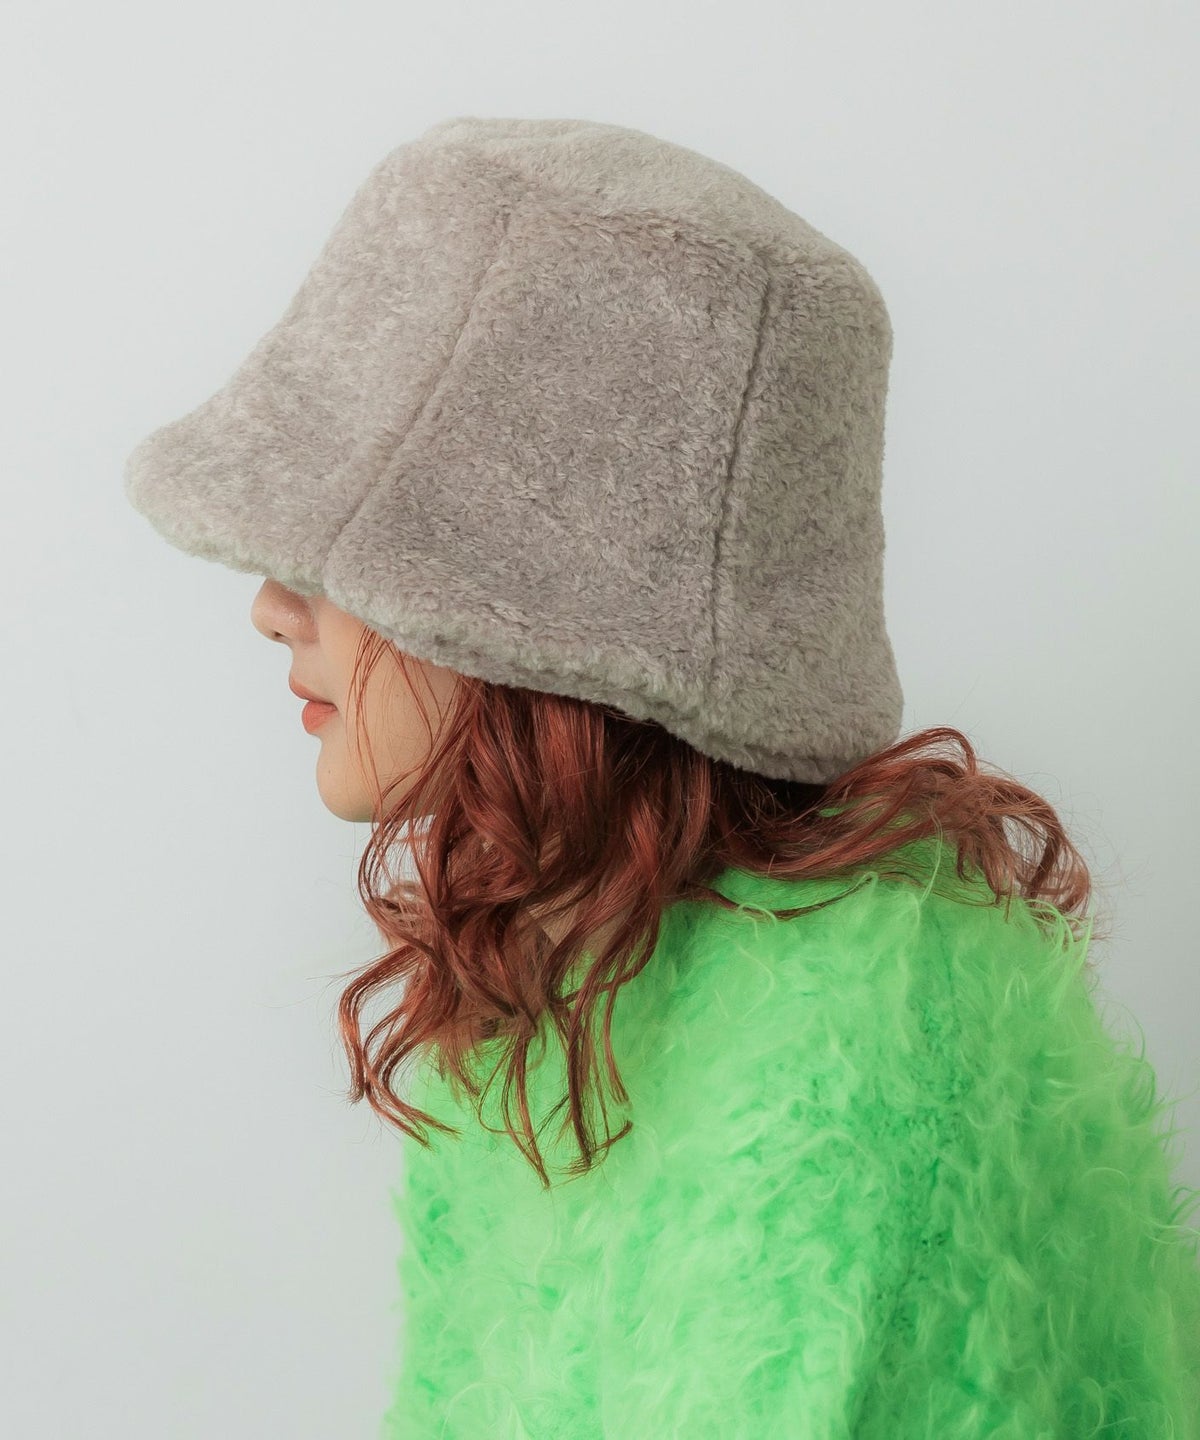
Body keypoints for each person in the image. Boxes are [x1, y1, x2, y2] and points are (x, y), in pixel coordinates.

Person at [125, 116, 1200, 1438]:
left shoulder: (857, 1046)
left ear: (553, 614)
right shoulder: (566, 976)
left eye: (345, 555)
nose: (272, 609)